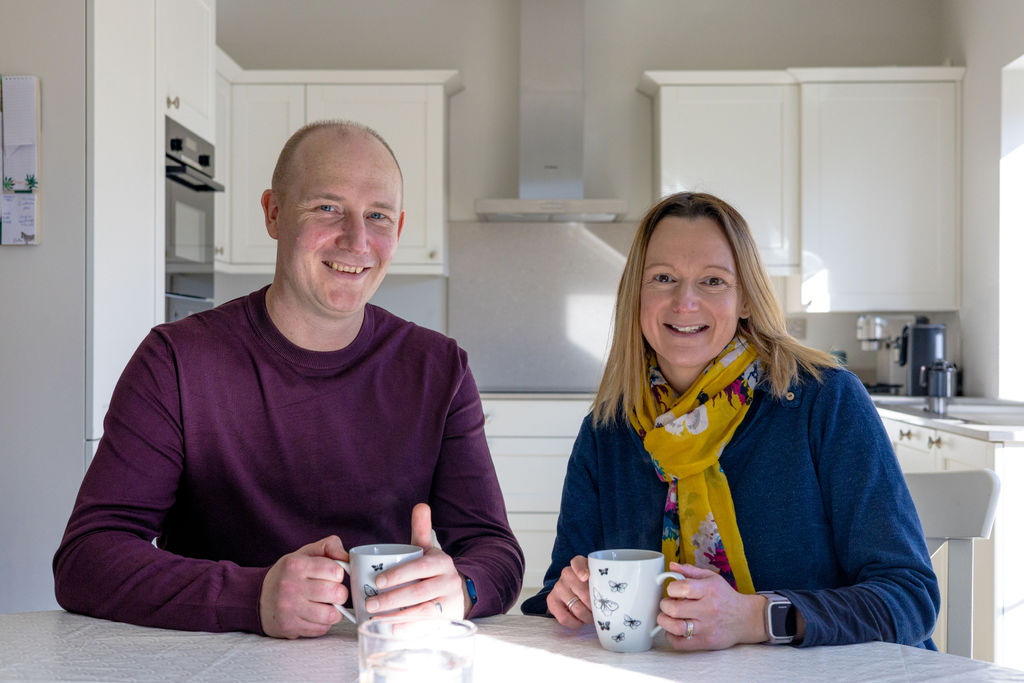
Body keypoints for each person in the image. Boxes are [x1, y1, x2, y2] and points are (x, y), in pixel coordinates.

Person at [54, 120, 524, 639]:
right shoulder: (175, 361)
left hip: (380, 661)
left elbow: (496, 553)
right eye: (327, 208)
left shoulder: (439, 368)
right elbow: (86, 559)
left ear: (399, 228)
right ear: (273, 213)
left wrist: (462, 587)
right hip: (209, 666)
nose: (356, 240)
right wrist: (252, 596)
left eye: (377, 216)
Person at [521, 192, 939, 650]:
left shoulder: (824, 400)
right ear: (635, 296)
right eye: (663, 278)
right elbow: (556, 597)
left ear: (745, 299)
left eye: (713, 281)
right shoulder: (608, 432)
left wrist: (756, 618)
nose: (685, 302)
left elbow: (909, 598)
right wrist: (568, 599)